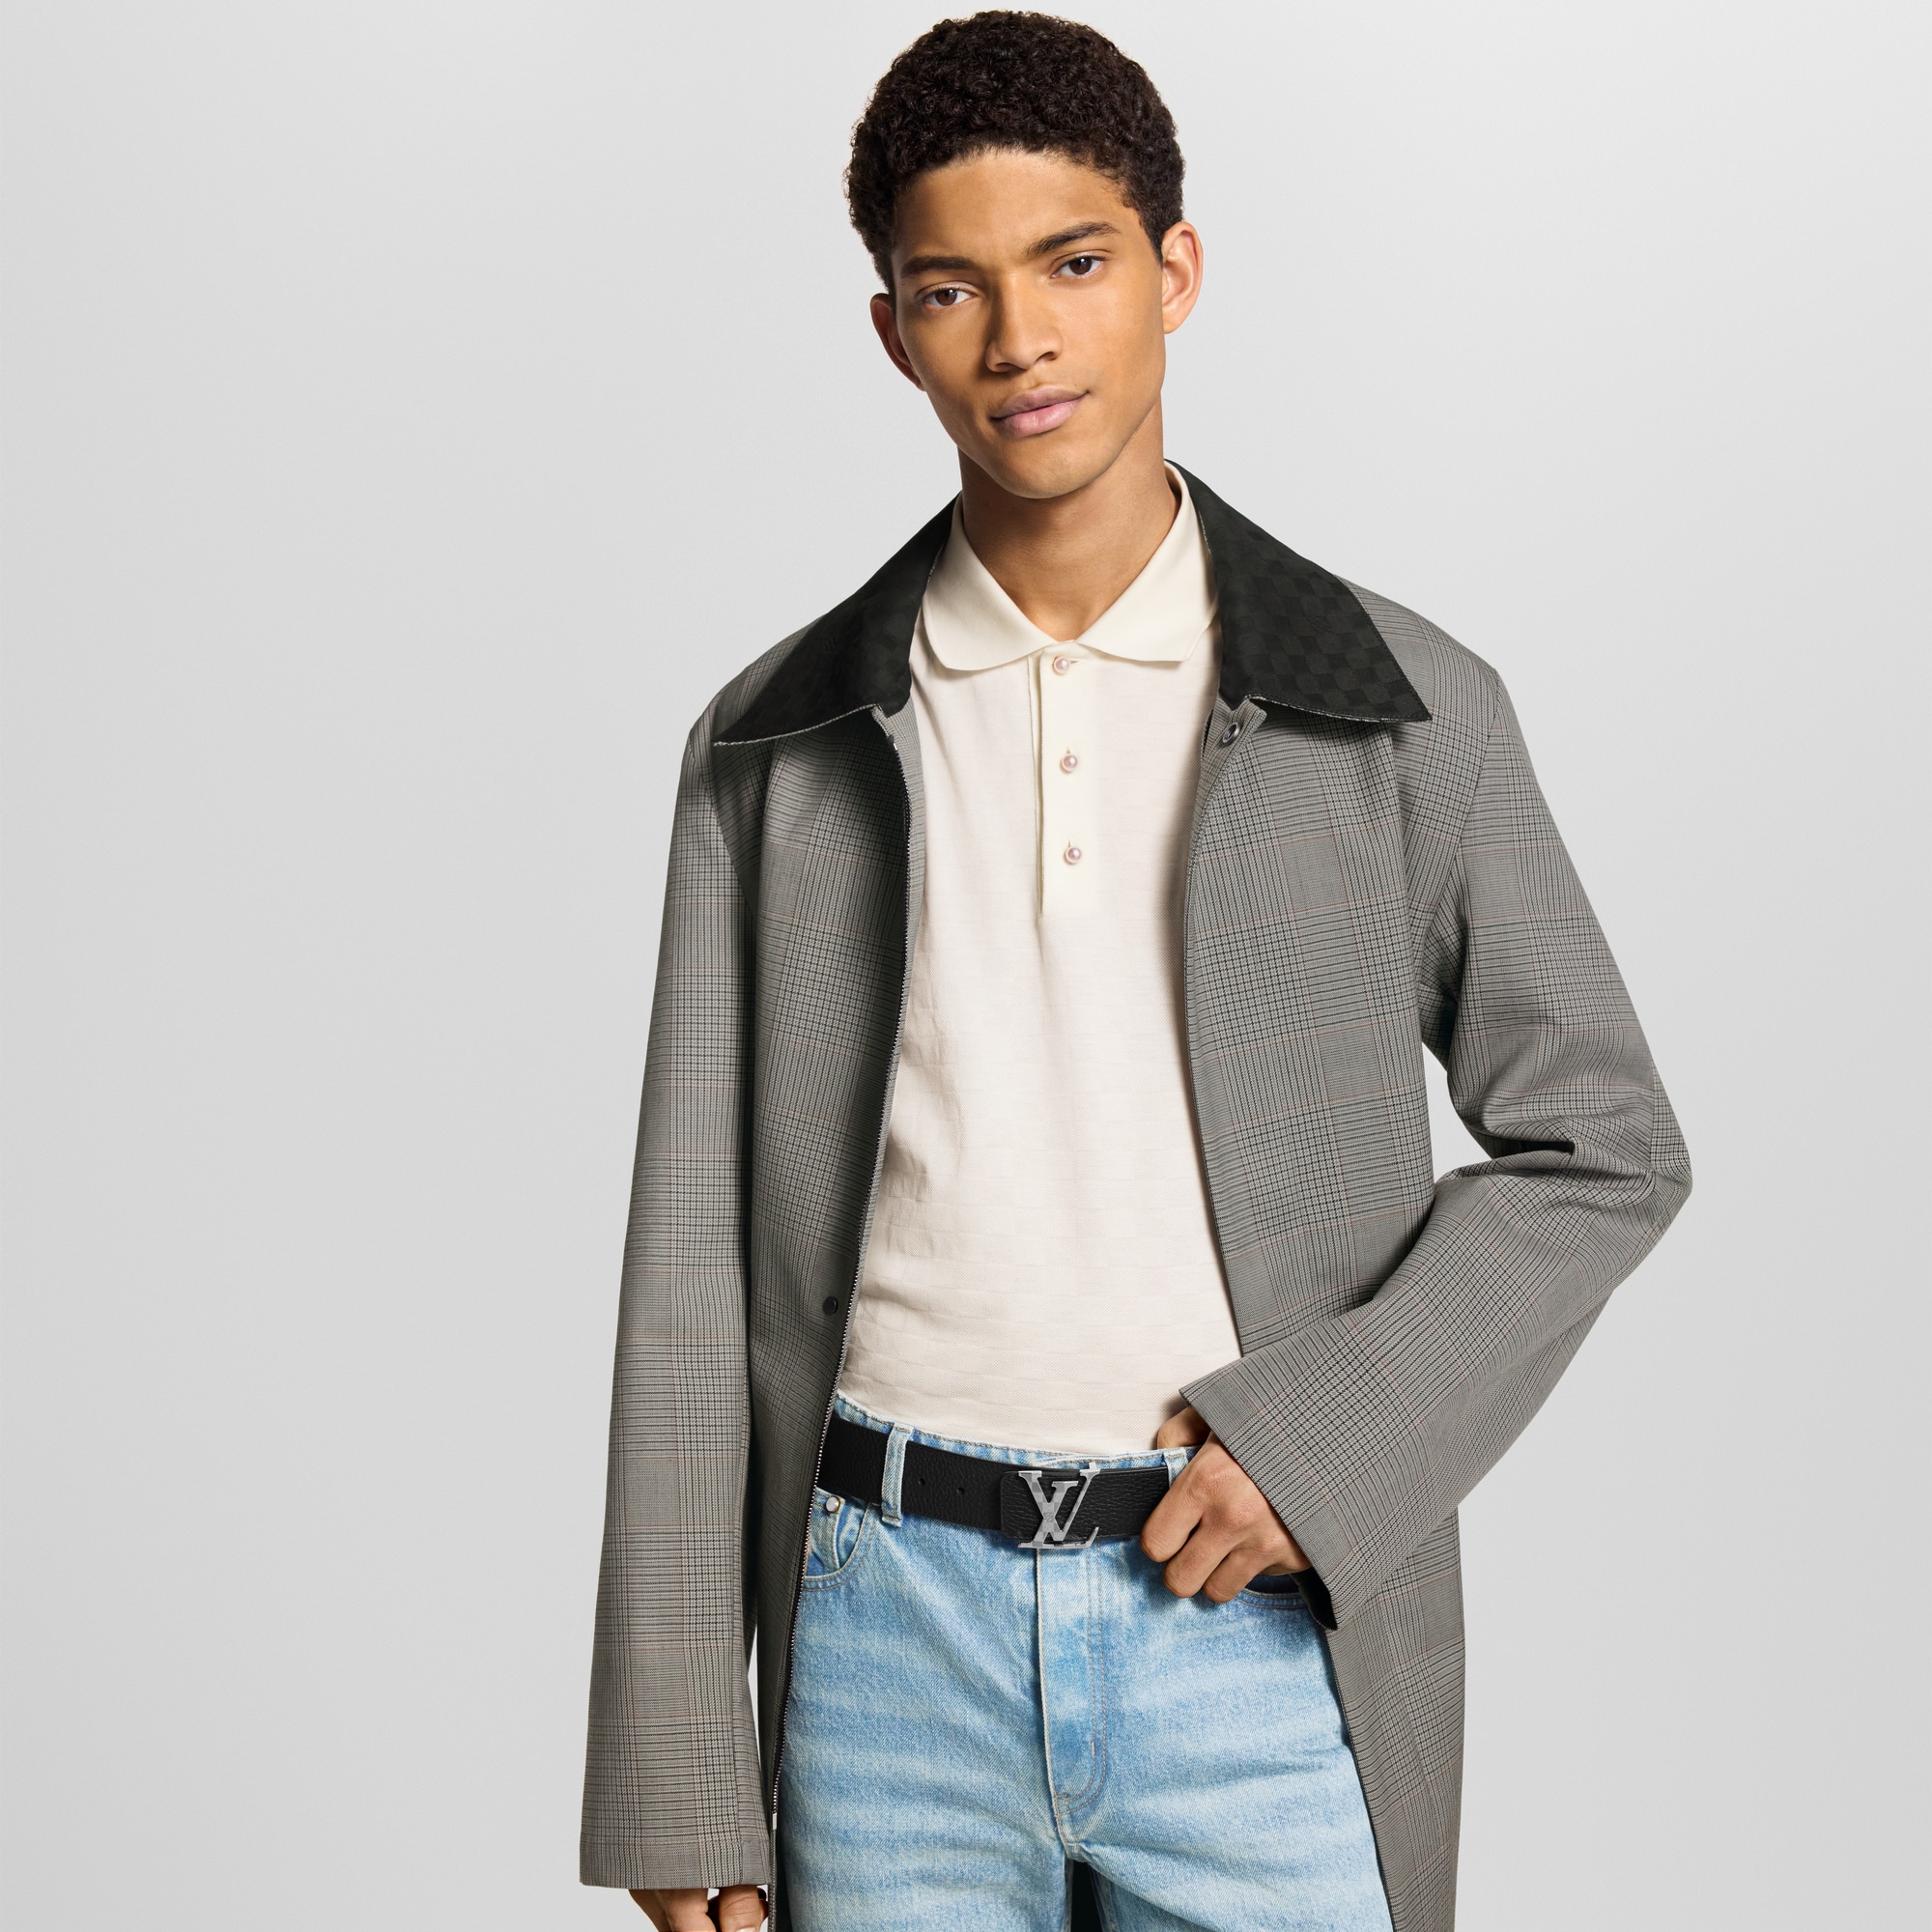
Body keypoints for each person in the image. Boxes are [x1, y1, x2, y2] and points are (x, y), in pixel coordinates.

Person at [581, 14, 1690, 1931]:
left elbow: (1603, 1143)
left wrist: (1325, 1447)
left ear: (1175, 271)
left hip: (1255, 1629)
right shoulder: (776, 742)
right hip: (883, 1645)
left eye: (1075, 262)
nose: (1020, 337)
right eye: (953, 288)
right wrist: (681, 1759)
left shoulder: (1400, 709)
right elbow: (691, 1266)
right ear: (894, 332)